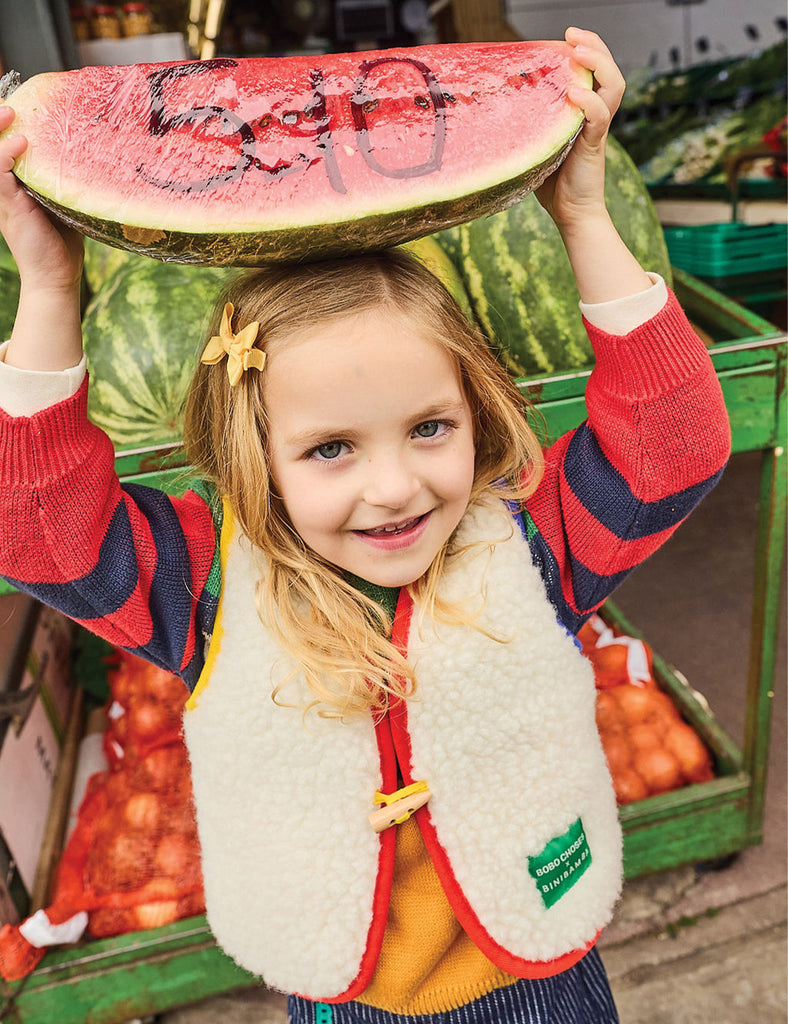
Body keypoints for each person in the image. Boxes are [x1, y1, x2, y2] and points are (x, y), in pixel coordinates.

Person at [0, 27, 730, 1024]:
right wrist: (49, 290)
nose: (393, 487)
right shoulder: (206, 588)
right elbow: (38, 530)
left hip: (542, 985)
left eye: (429, 427)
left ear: (478, 415)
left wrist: (583, 215)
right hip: (345, 1003)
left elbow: (673, 444)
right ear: (252, 452)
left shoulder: (528, 545)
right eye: (329, 448)